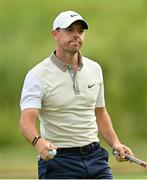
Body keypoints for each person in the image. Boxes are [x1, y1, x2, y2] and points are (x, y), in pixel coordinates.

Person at [19, 10, 133, 179]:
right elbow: (26, 120)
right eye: (70, 30)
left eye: (80, 31)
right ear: (55, 34)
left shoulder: (95, 69)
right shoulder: (37, 75)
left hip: (96, 158)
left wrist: (115, 143)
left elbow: (100, 113)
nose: (76, 35)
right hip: (58, 161)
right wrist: (38, 142)